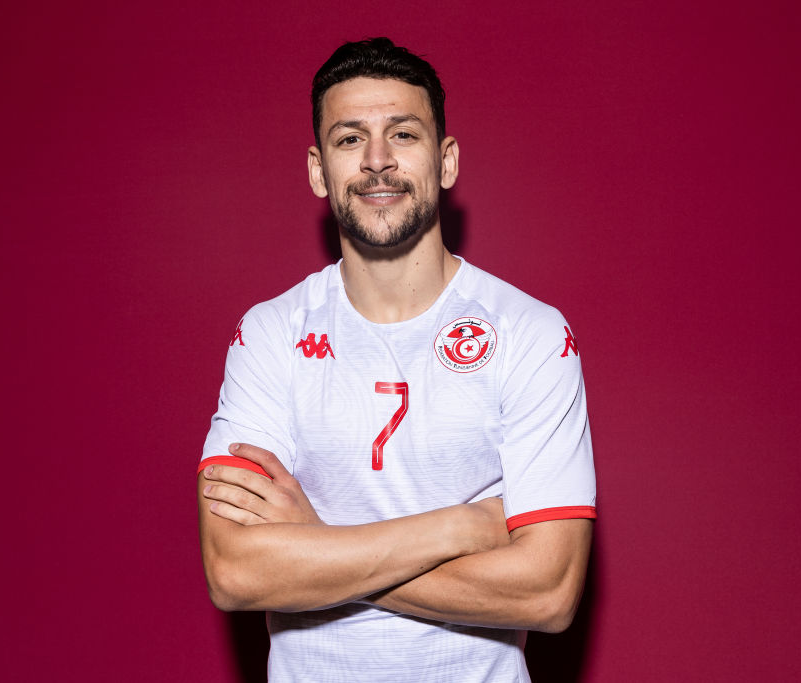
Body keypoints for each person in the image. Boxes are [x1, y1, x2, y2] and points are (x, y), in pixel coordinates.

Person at [197, 37, 596, 682]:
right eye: (350, 139)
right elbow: (236, 571)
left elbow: (547, 592)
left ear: (446, 161)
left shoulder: (530, 332)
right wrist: (459, 527)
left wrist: (316, 545)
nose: (377, 161)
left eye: (403, 135)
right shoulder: (270, 334)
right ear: (317, 169)